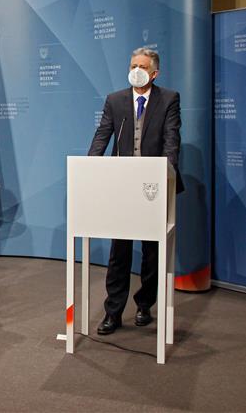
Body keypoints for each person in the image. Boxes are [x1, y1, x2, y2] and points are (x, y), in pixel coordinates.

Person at [88, 47, 184, 335]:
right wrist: (91, 169)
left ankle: (145, 304)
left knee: (152, 251)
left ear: (154, 73)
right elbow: (102, 136)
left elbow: (171, 139)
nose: (136, 70)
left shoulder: (168, 99)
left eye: (142, 66)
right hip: (122, 187)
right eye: (132, 64)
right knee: (120, 251)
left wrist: (166, 173)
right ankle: (113, 312)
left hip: (153, 186)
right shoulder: (115, 100)